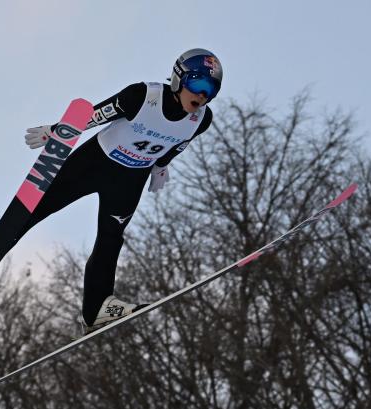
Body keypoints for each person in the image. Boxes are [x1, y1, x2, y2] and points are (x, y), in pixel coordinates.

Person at [23, 48, 222, 334]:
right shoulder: (143, 96)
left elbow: (176, 144)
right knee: (39, 208)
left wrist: (160, 168)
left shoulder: (201, 120)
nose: (202, 95)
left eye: (210, 90)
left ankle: (96, 308)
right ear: (179, 78)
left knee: (111, 237)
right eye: (198, 84)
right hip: (94, 163)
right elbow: (95, 116)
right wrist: (57, 131)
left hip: (130, 178)